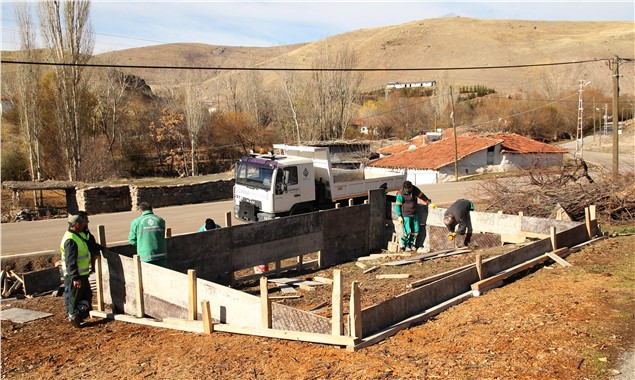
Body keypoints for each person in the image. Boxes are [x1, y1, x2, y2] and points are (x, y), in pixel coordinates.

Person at [61, 213, 102, 328]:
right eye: (83, 223)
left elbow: (90, 244)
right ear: (77, 224)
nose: (85, 225)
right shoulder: (71, 240)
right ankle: (73, 318)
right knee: (74, 299)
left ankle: (78, 317)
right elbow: (70, 261)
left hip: (82, 273)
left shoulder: (78, 235)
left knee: (86, 296)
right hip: (76, 276)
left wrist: (101, 249)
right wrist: (75, 277)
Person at [395, 180, 433, 252]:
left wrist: (428, 202)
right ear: (405, 188)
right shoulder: (400, 194)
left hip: (414, 213)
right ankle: (403, 245)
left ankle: (410, 244)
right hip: (406, 214)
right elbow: (397, 206)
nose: (410, 190)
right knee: (406, 231)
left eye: (410, 188)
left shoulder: (415, 189)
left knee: (415, 230)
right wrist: (399, 216)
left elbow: (422, 196)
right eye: (408, 189)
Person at [128, 202, 168, 268]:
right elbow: (161, 235)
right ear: (151, 209)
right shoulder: (160, 220)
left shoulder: (136, 222)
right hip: (161, 255)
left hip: (145, 256)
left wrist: (142, 244)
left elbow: (132, 240)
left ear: (140, 211)